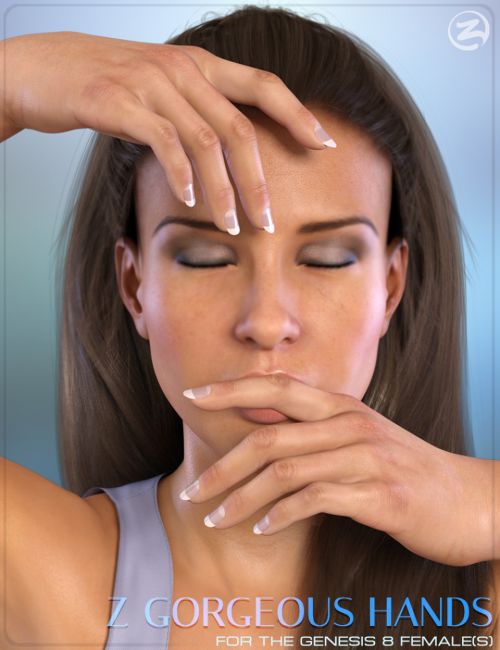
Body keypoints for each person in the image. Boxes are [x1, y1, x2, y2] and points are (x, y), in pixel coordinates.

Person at [1, 5, 498, 648]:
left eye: (327, 258)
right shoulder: (55, 575)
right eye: (206, 258)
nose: (266, 322)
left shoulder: (480, 591)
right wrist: (14, 78)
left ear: (391, 287)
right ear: (134, 286)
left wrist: (486, 503)